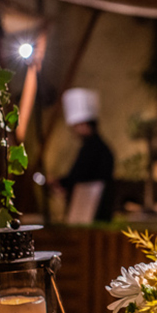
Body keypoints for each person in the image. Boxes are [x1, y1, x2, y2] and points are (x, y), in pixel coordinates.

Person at [55, 88, 115, 221]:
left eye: (75, 127)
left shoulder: (93, 148)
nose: (74, 132)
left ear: (84, 125)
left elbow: (80, 175)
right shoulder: (99, 147)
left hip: (93, 209)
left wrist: (61, 183)